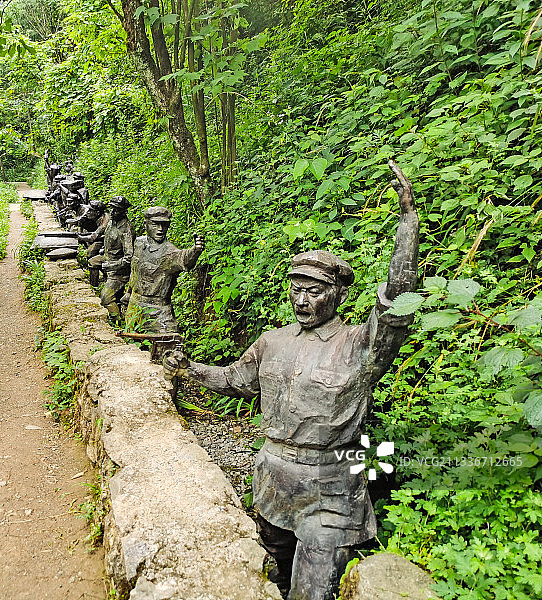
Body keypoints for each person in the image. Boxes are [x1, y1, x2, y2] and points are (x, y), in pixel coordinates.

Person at [164, 160, 419, 600]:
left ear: (337, 294)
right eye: (296, 290)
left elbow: (397, 305)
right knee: (271, 574)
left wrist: (407, 228)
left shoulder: (359, 345)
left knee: (312, 589)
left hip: (331, 488)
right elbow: (234, 380)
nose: (302, 300)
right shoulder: (272, 342)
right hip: (271, 481)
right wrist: (189, 368)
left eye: (314, 291)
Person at [125, 206, 204, 333]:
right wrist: (128, 293)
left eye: (164, 225)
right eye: (155, 224)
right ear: (146, 224)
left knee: (169, 346)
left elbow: (184, 259)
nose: (160, 229)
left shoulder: (169, 251)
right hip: (134, 306)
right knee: (131, 346)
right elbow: (135, 271)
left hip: (158, 311)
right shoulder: (139, 243)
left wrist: (195, 250)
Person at [88, 196, 135, 321]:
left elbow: (129, 257)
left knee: (106, 298)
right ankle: (93, 289)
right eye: (112, 209)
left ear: (124, 211)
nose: (113, 212)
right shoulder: (111, 222)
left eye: (117, 210)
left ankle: (118, 321)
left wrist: (112, 266)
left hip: (119, 270)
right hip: (107, 258)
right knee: (92, 262)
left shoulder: (126, 230)